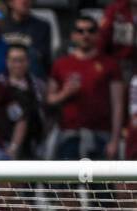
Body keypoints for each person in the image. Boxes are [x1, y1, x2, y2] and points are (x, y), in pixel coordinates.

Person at [48, 15, 123, 160]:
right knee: (66, 182)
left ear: (97, 34)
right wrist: (64, 93)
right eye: (80, 31)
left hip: (101, 135)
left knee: (100, 183)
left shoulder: (110, 65)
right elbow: (50, 99)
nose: (85, 35)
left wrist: (115, 140)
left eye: (90, 30)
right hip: (68, 136)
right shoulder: (61, 64)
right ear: (73, 35)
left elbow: (118, 105)